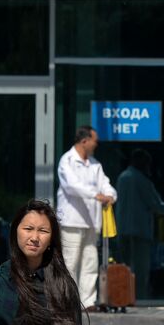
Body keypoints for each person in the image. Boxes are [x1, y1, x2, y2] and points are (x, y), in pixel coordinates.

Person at [55, 126, 116, 310]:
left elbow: (106, 185)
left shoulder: (95, 164)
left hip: (91, 222)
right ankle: (67, 302)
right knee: (70, 262)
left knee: (90, 262)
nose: (96, 144)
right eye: (94, 141)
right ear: (84, 141)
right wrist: (97, 195)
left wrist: (110, 195)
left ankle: (87, 301)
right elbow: (73, 186)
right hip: (71, 221)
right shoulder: (67, 161)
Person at [114, 150, 164, 300]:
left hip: (123, 229)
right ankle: (139, 298)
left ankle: (123, 297)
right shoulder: (141, 180)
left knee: (124, 267)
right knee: (140, 270)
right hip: (140, 231)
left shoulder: (122, 177)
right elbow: (156, 205)